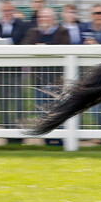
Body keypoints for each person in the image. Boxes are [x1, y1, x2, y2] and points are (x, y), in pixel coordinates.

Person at [22, 8, 70, 146]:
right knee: (42, 110)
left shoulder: (62, 31)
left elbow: (64, 46)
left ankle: (60, 139)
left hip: (57, 79)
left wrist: (45, 47)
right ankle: (48, 139)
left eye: (46, 17)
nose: (43, 19)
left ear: (53, 18)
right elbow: (25, 45)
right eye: (41, 17)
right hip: (39, 79)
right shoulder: (33, 32)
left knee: (58, 110)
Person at [0, 0, 28, 143]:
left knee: (18, 101)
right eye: (5, 10)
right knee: (3, 101)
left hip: (16, 67)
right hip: (1, 68)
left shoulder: (21, 24)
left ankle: (18, 133)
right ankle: (6, 131)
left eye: (10, 10)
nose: (8, 13)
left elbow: (22, 40)